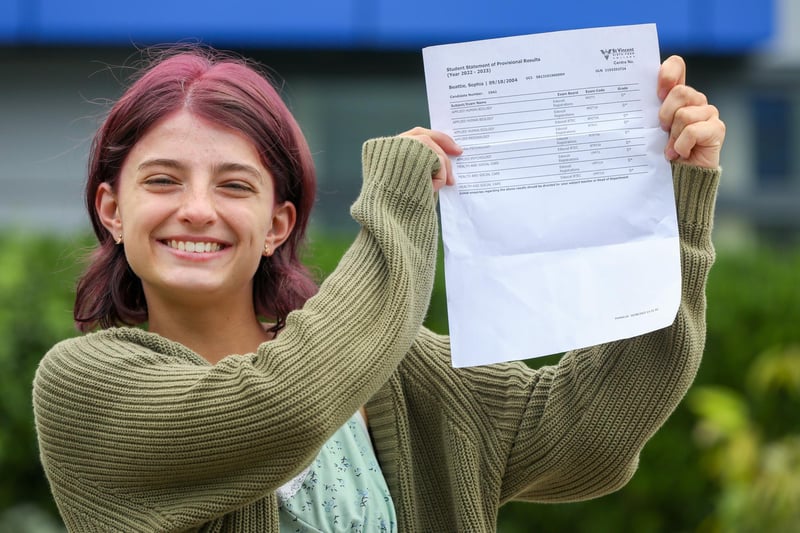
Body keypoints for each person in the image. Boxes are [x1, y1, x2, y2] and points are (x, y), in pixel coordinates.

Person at [32, 46, 724, 532]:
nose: (197, 209)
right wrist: (396, 204)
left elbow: (585, 436)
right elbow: (285, 404)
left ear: (278, 224)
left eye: (234, 185)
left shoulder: (398, 370)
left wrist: (668, 210)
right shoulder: (84, 384)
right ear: (111, 210)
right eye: (162, 180)